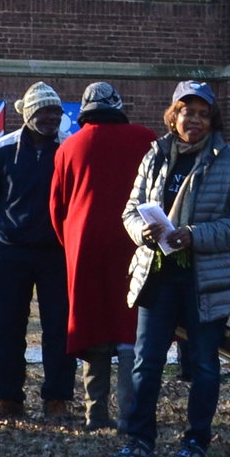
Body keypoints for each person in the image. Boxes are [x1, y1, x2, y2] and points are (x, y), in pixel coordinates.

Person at [111, 81, 230, 457]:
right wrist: (142, 231)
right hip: (157, 275)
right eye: (186, 111)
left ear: (213, 119)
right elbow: (130, 209)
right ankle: (138, 440)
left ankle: (196, 441)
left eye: (203, 113)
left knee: (205, 364)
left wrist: (194, 235)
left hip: (204, 279)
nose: (194, 120)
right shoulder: (155, 155)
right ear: (173, 115)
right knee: (146, 362)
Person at [51, 82, 157, 432]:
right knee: (130, 328)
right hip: (135, 240)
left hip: (84, 245)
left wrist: (69, 242)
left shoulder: (69, 147)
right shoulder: (146, 139)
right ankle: (131, 413)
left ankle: (95, 412)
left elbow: (57, 207)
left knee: (92, 325)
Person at [0, 81, 71, 418]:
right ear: (29, 114)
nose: (51, 117)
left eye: (56, 112)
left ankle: (57, 399)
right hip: (9, 251)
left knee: (59, 327)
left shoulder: (69, 148)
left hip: (56, 253)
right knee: (4, 326)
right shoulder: (1, 148)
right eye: (45, 111)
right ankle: (7, 398)